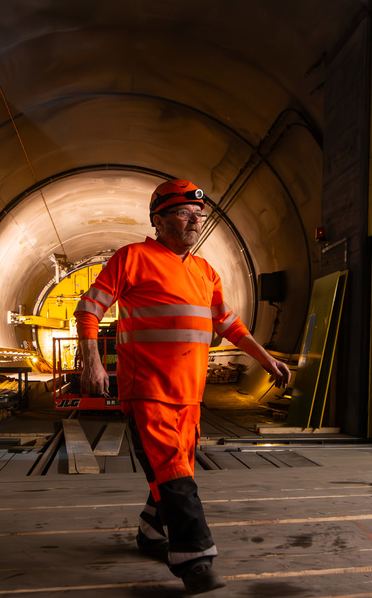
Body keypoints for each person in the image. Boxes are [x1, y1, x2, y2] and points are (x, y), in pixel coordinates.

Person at [75, 178, 291, 594]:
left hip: (190, 396)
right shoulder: (132, 258)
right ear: (158, 219)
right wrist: (93, 363)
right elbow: (89, 309)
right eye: (183, 213)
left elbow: (228, 324)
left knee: (176, 470)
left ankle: (151, 534)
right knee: (175, 474)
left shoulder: (205, 271)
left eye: (199, 216)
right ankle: (195, 559)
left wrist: (265, 358)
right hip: (148, 391)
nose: (194, 222)